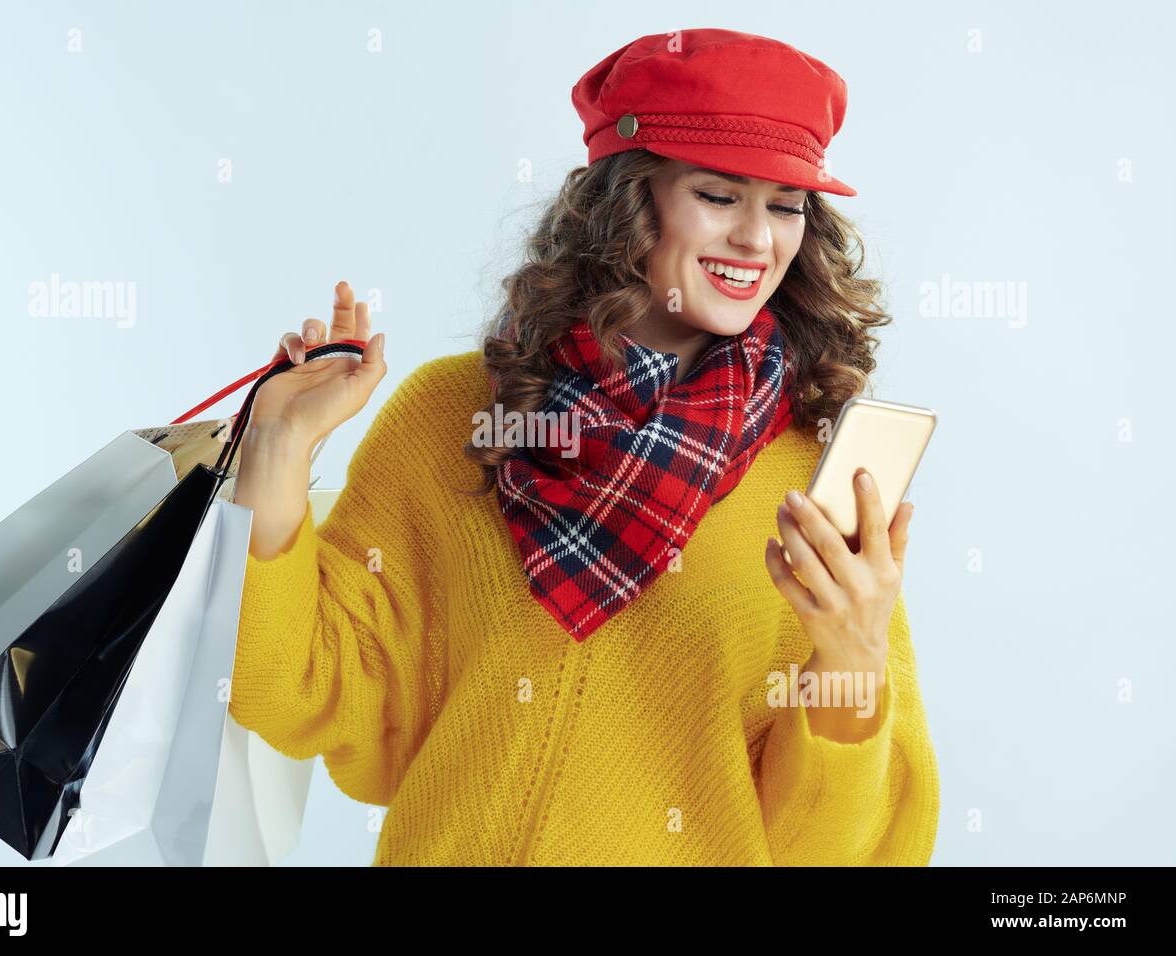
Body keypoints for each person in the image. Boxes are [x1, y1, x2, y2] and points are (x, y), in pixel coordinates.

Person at [229, 28, 940, 866]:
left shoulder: (813, 469)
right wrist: (274, 450)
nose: (758, 240)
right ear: (628, 203)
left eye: (785, 206)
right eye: (719, 195)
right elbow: (297, 693)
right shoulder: (452, 415)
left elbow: (833, 853)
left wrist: (851, 661)